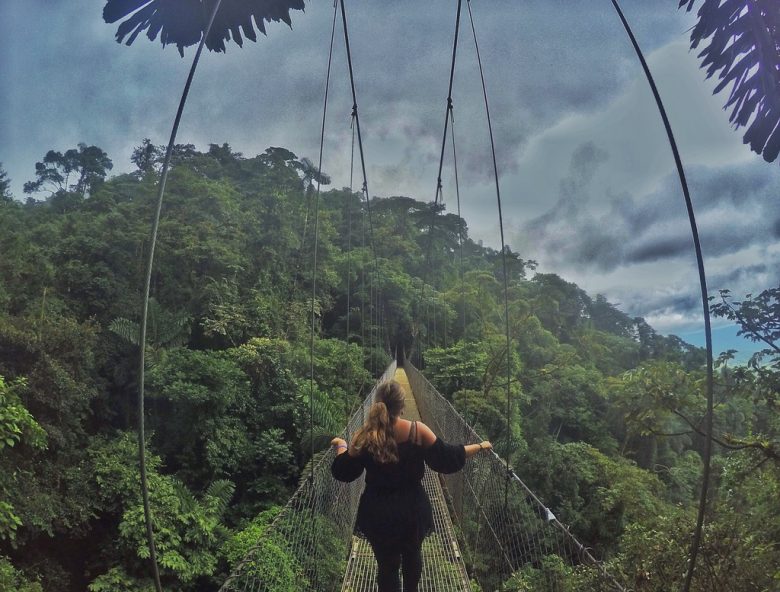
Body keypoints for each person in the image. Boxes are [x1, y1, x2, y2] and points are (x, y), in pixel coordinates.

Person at [331, 379, 492, 592]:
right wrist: (480, 446)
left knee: (387, 566)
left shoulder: (364, 435)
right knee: (413, 555)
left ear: (377, 403)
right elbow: (447, 457)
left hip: (378, 512)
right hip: (412, 511)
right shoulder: (418, 432)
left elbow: (345, 470)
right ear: (402, 406)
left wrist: (342, 445)